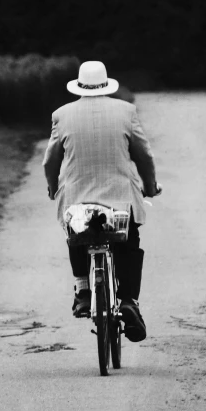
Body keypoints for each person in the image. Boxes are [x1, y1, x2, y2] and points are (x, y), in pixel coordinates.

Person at [42, 61, 160, 343]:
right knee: (128, 243)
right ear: (106, 85)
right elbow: (143, 155)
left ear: (80, 86)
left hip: (78, 202)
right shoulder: (126, 112)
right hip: (120, 201)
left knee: (75, 235)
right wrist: (150, 187)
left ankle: (84, 291)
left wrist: (53, 187)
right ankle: (129, 301)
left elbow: (50, 161)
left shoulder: (62, 115)